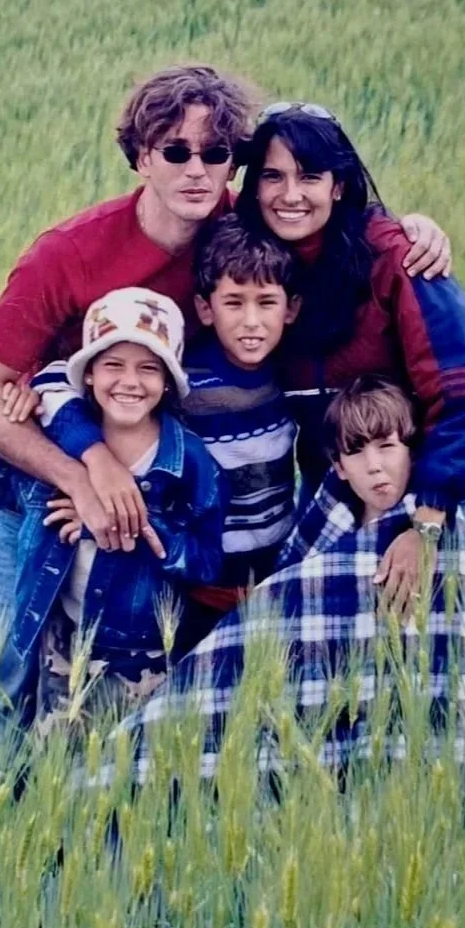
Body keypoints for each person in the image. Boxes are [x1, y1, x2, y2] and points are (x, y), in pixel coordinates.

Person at [0, 63, 450, 779]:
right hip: (41, 483)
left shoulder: (237, 230)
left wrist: (411, 231)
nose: (196, 169)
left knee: (123, 683)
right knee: (2, 666)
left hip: (161, 502)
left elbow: (327, 225)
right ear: (141, 157)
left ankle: (92, 805)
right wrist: (85, 472)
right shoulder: (69, 253)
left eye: (216, 152)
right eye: (175, 150)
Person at [101, 377, 465, 788]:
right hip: (319, 706)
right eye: (356, 452)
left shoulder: (437, 535)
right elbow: (283, 605)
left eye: (387, 446)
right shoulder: (323, 526)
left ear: (412, 450)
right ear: (339, 467)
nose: (374, 465)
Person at [235, 102, 465, 599]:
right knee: (316, 647)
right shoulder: (254, 264)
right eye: (272, 176)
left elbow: (462, 400)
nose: (290, 195)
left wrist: (425, 524)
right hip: (332, 493)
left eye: (309, 176)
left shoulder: (399, 258)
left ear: (338, 185)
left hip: (435, 493)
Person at [34, 214, 302, 629]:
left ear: (291, 309)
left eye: (266, 302)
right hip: (190, 582)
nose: (251, 321)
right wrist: (93, 454)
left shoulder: (293, 373)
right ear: (205, 309)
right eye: (234, 302)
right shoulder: (178, 379)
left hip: (272, 572)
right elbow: (54, 379)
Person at [4, 287, 225, 741]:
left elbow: (206, 562)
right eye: (113, 365)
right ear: (88, 375)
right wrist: (17, 421)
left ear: (168, 380)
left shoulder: (189, 462)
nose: (130, 381)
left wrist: (129, 524)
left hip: (144, 652)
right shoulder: (59, 443)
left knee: (133, 760)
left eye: (149, 368)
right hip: (64, 638)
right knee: (59, 760)